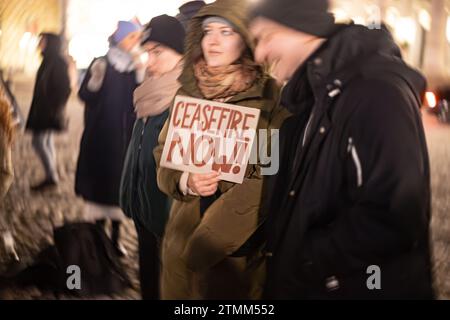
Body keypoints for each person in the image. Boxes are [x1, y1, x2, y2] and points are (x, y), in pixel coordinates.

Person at [249, 0, 435, 299]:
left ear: (302, 28)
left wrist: (303, 258)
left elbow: (395, 216)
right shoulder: (303, 95)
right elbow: (276, 179)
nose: (260, 54)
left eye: (267, 36)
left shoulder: (375, 93)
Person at [154, 0, 290, 300]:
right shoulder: (188, 93)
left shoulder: (269, 100)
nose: (213, 41)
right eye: (207, 31)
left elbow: (268, 175)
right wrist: (184, 180)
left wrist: (207, 243)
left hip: (234, 251)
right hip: (180, 243)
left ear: (245, 39)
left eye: (226, 32)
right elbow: (164, 156)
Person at [120, 14, 186, 300]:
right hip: (142, 202)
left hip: (168, 211)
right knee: (148, 271)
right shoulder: (149, 91)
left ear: (181, 53)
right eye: (147, 52)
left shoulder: (186, 100)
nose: (150, 61)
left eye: (158, 52)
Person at [76, 20, 144, 256]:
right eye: (132, 37)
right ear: (121, 39)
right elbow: (85, 95)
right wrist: (94, 81)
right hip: (101, 136)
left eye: (137, 38)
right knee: (100, 186)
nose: (136, 42)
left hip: (125, 138)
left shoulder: (136, 67)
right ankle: (97, 237)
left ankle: (115, 239)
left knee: (119, 188)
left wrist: (141, 74)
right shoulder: (102, 63)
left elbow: (139, 102)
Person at [26, 33, 71, 191]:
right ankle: (52, 176)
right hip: (42, 109)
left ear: (51, 43)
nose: (40, 43)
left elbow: (65, 88)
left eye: (42, 41)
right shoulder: (48, 59)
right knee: (45, 141)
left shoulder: (58, 62)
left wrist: (54, 107)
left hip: (48, 111)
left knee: (38, 142)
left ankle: (51, 177)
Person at [0, 96, 17, 261]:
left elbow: (4, 165)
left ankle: (10, 249)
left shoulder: (1, 130)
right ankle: (10, 249)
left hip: (2, 175)